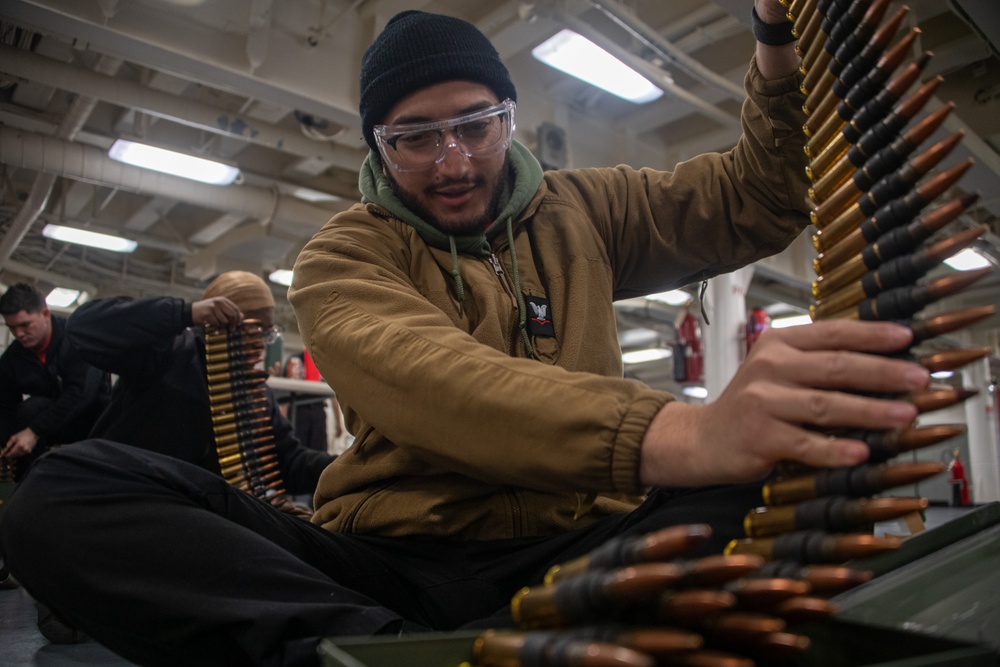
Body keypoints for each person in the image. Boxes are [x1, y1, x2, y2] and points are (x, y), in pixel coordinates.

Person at [1, 5, 932, 667]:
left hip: (588, 546)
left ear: (510, 118)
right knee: (66, 494)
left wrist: (775, 40)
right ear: (376, 146)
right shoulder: (342, 256)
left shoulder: (587, 209)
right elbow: (439, 379)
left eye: (478, 124)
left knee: (800, 466)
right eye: (416, 137)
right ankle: (376, 654)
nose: (454, 159)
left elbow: (759, 198)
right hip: (397, 564)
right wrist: (682, 428)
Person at [62, 270, 334, 496]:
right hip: (127, 494)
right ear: (219, 321)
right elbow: (82, 327)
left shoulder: (255, 393)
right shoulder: (167, 355)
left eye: (266, 333)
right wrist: (184, 313)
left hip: (193, 515)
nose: (259, 344)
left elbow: (287, 462)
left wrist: (348, 466)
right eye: (252, 330)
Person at [0, 283, 111, 481]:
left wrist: (34, 432)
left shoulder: (78, 340)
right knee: (28, 411)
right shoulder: (13, 358)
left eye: (25, 325)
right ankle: (24, 489)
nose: (18, 334)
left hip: (95, 424)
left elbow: (81, 394)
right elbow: (5, 405)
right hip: (53, 425)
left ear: (45, 314)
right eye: (12, 328)